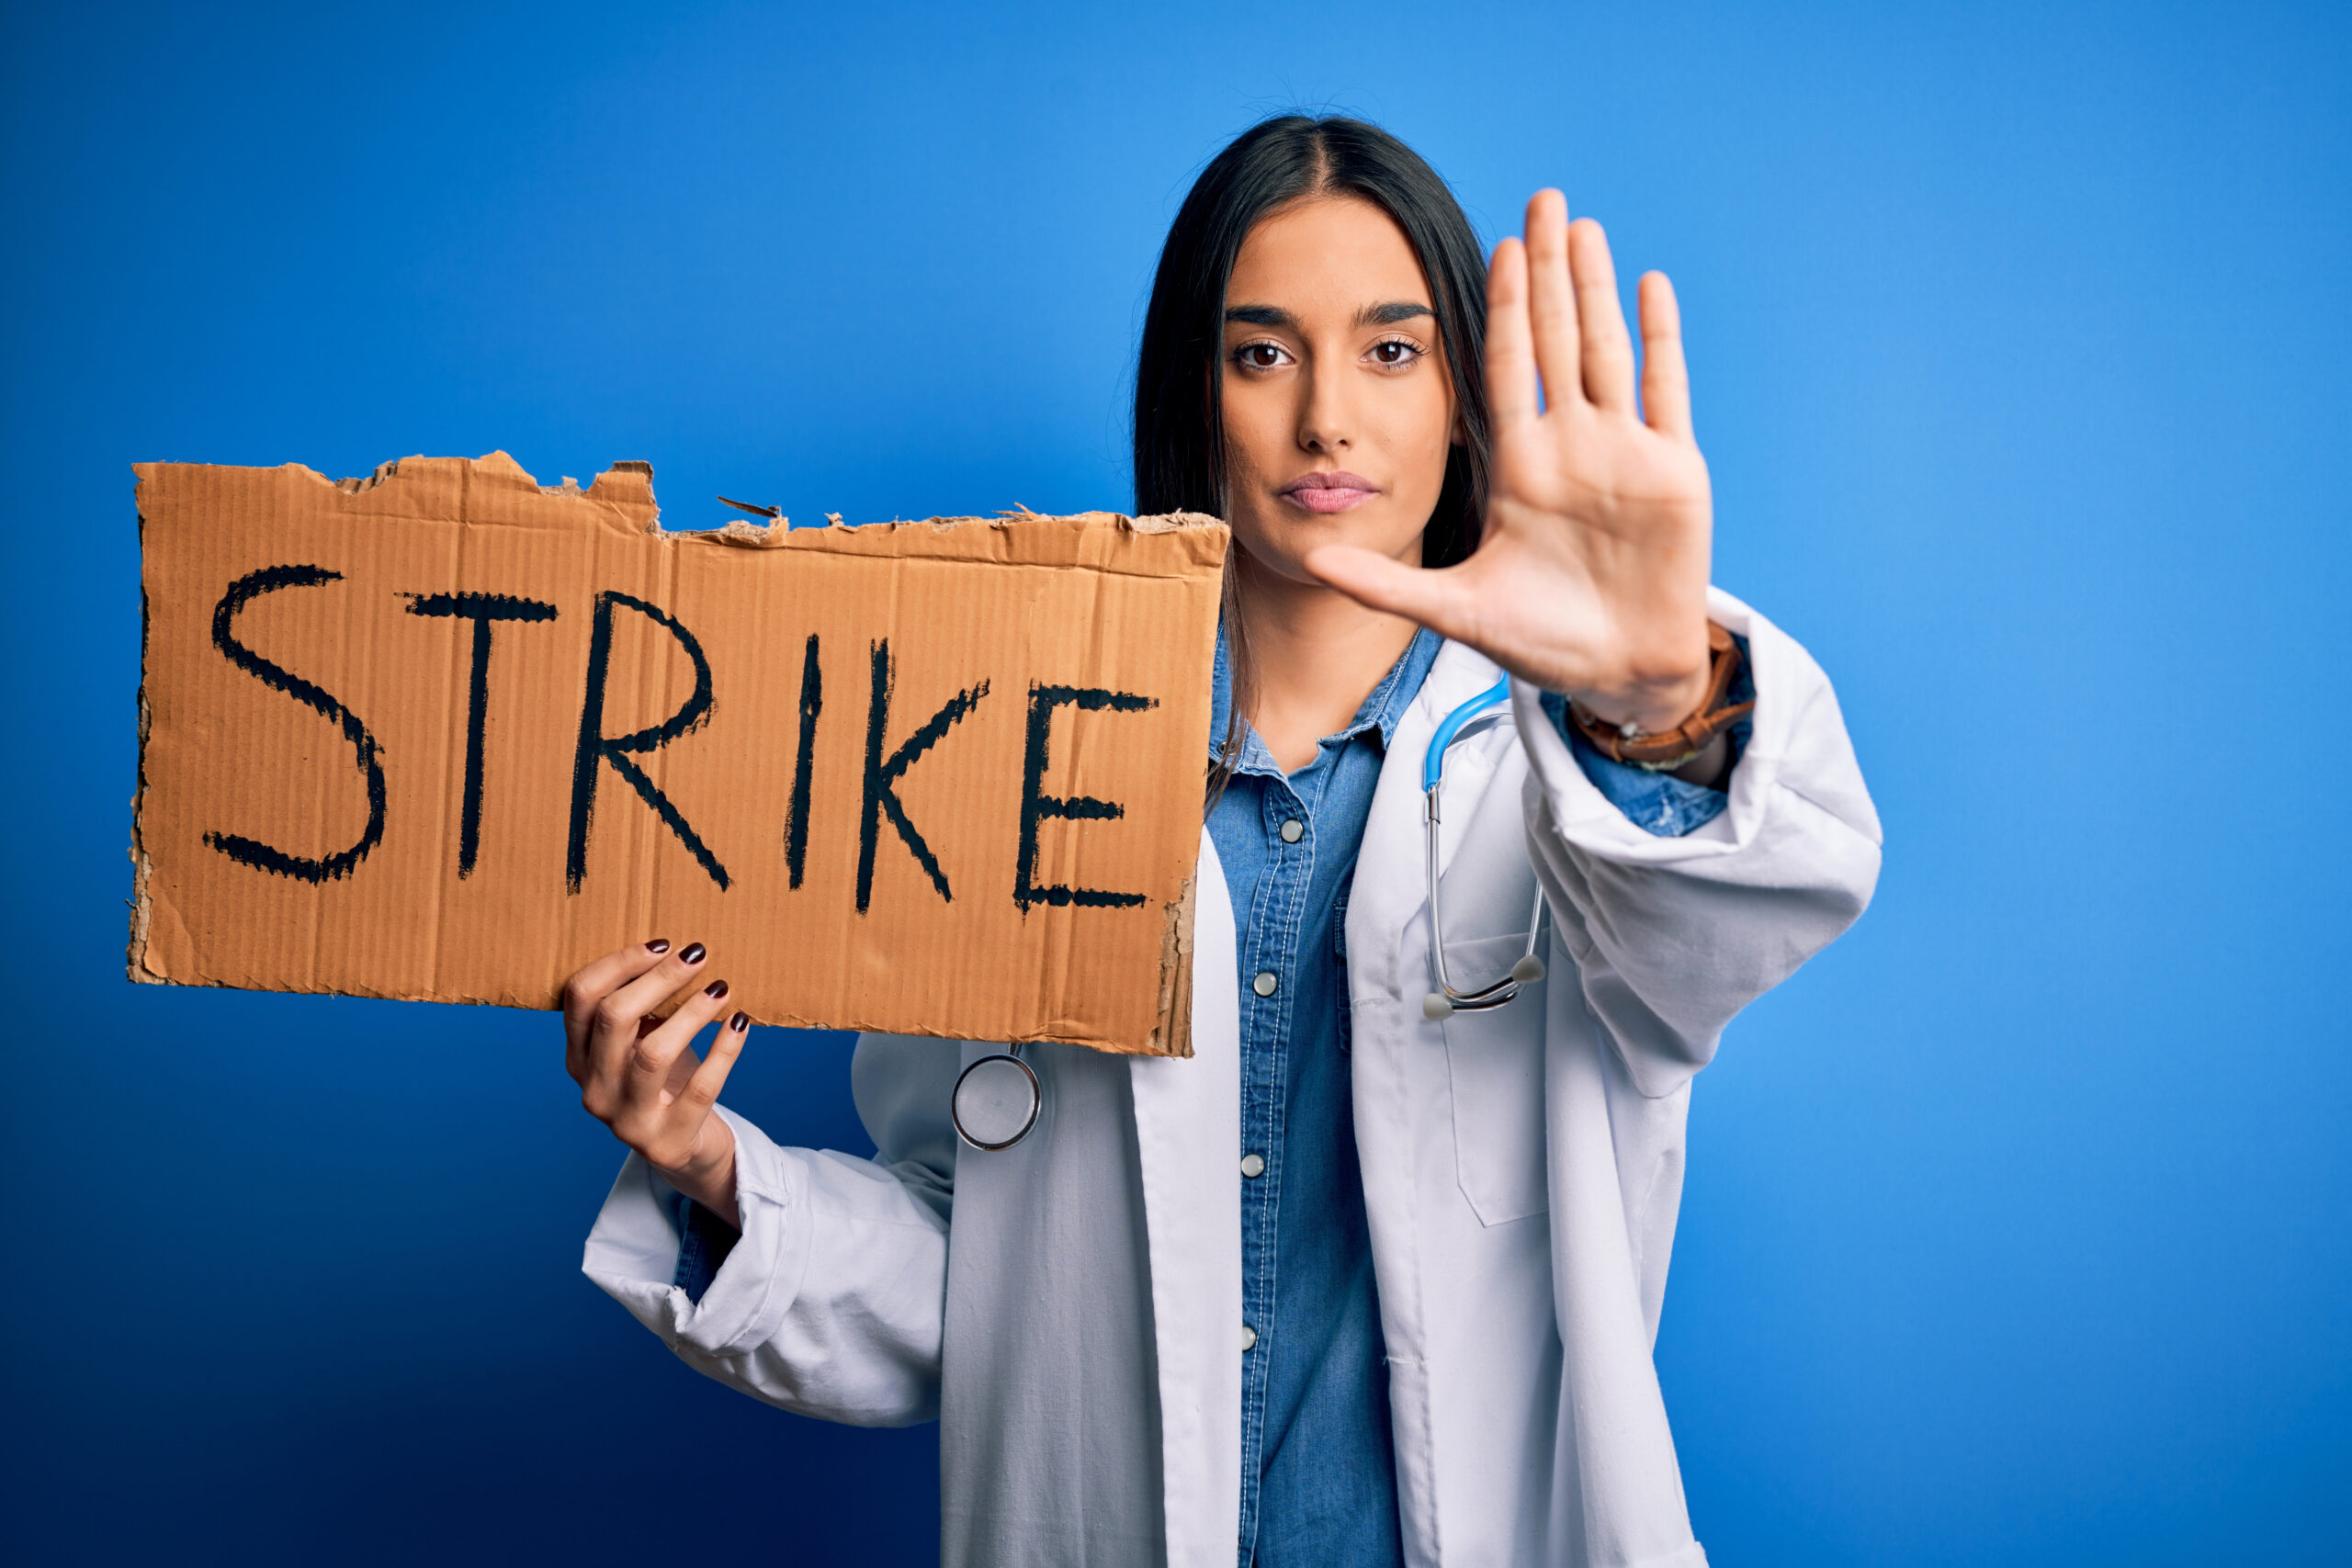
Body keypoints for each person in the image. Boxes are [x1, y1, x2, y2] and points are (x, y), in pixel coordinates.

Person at [564, 115, 1880, 1568]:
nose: (1328, 419)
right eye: (1265, 353)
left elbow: (1745, 905)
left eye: (1392, 350)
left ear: (1460, 397)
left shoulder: (1569, 769)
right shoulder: (1018, 762)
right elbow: (970, 1280)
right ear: (1197, 393)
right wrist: (707, 1162)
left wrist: (1655, 704)